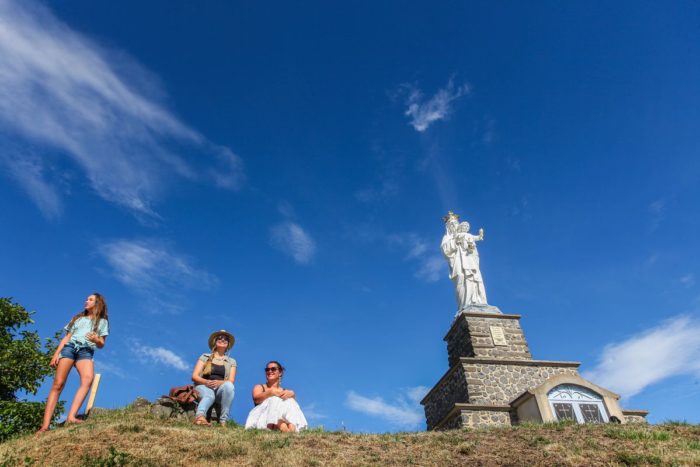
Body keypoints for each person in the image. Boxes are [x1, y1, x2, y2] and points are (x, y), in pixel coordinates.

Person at [37, 293, 110, 433]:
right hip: (69, 349)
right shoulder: (78, 319)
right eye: (86, 299)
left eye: (90, 299)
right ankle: (45, 426)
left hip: (86, 351)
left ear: (98, 303)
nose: (86, 301)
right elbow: (67, 338)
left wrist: (96, 339)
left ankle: (71, 417)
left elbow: (102, 343)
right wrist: (56, 354)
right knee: (58, 384)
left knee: (88, 379)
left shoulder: (103, 322)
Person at [441, 211, 488, 309]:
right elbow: (445, 250)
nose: (453, 226)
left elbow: (473, 244)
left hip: (469, 260)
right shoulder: (447, 238)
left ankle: (478, 301)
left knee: (476, 278)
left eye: (455, 224)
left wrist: (471, 246)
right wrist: (455, 242)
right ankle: (464, 304)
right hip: (458, 262)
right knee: (461, 277)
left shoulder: (466, 235)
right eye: (451, 224)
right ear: (448, 227)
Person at [244, 361, 308, 432]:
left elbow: (293, 407)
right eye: (267, 370)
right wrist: (271, 392)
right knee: (274, 399)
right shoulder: (260, 387)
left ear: (280, 372)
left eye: (273, 369)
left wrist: (292, 394)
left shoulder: (285, 391)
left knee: (290, 401)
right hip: (265, 418)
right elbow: (256, 399)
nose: (270, 371)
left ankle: (291, 427)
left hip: (285, 419)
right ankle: (281, 426)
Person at [191, 330, 237, 426]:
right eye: (219, 338)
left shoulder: (231, 361)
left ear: (228, 344)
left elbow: (231, 380)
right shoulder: (205, 356)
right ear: (215, 342)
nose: (223, 340)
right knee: (210, 395)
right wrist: (206, 382)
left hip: (220, 388)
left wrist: (219, 383)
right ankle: (200, 417)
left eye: (226, 339)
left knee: (229, 386)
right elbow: (194, 376)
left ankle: (223, 421)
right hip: (203, 385)